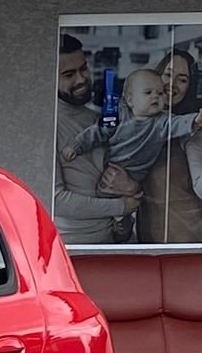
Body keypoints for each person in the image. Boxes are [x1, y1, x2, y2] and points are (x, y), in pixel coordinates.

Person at [136, 48, 202, 244]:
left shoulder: (194, 129)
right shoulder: (138, 123)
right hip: (148, 235)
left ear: (189, 88)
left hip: (186, 239)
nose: (172, 84)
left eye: (182, 80)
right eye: (168, 74)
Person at [53, 35, 139, 244]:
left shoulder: (97, 118)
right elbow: (55, 200)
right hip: (71, 248)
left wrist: (129, 193)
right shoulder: (49, 125)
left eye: (83, 68)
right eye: (69, 74)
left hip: (112, 243)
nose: (81, 79)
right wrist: (122, 206)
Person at [63, 67, 202, 177]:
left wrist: (196, 120)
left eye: (160, 93)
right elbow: (96, 132)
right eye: (148, 92)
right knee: (105, 192)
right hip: (111, 168)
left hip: (138, 175)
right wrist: (77, 146)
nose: (156, 96)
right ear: (130, 100)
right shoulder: (119, 116)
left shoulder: (161, 121)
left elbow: (178, 123)